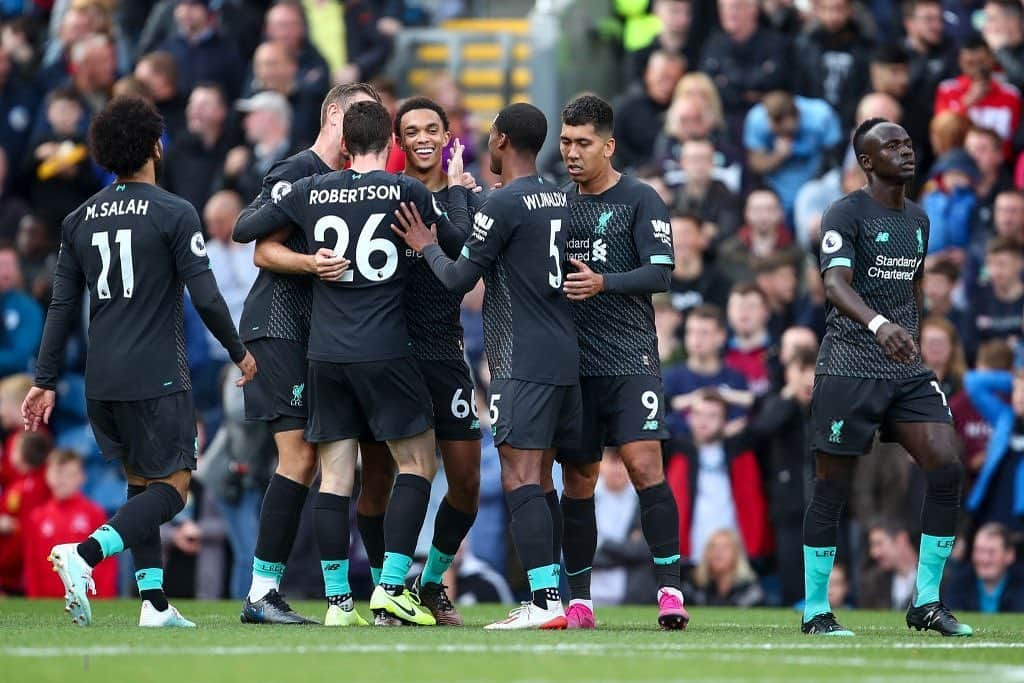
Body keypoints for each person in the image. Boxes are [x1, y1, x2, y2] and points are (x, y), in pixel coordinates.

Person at [23, 95, 256, 629]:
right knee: (173, 490)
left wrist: (45, 379)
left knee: (140, 485)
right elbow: (207, 297)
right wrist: (240, 353)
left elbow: (61, 305)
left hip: (102, 380)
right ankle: (84, 555)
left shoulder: (78, 219)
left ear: (104, 154)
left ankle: (153, 603)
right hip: (158, 373)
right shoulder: (174, 211)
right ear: (154, 145)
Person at [235, 100, 464, 627]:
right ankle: (389, 587)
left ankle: (339, 603)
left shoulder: (314, 189)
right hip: (383, 347)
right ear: (390, 143)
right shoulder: (404, 190)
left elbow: (247, 229)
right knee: (418, 463)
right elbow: (457, 245)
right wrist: (445, 204)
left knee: (334, 475)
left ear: (346, 142)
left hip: (323, 354)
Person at [393, 102, 580, 631]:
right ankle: (557, 596)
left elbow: (457, 277)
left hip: (520, 357)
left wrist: (426, 244)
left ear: (498, 140)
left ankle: (545, 599)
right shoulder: (560, 198)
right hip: (564, 353)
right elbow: (485, 248)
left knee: (519, 475)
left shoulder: (499, 202)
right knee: (542, 479)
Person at [803, 117, 971, 637]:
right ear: (868, 162)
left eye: (907, 141)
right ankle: (815, 609)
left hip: (905, 367)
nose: (905, 150)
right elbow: (834, 283)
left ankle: (926, 601)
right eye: (891, 145)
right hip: (850, 365)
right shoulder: (845, 212)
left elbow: (913, 288)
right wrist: (879, 325)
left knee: (945, 466)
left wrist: (910, 336)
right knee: (832, 487)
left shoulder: (919, 220)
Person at [228, 82, 376, 626]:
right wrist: (313, 264)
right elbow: (258, 243)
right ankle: (262, 592)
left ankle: (273, 589)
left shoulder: (350, 183)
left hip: (314, 336)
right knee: (299, 458)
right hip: (279, 324)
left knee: (316, 461)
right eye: (363, 113)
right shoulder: (298, 170)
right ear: (335, 114)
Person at [549, 94, 685, 631]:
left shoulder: (641, 198)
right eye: (565, 143)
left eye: (583, 143)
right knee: (578, 478)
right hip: (573, 364)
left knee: (645, 465)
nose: (572, 153)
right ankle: (579, 599)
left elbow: (661, 273)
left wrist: (604, 282)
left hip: (631, 358)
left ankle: (670, 591)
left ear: (608, 145)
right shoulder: (557, 203)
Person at [355, 96, 484, 627]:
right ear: (397, 142)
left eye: (433, 128)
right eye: (412, 131)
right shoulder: (382, 199)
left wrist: (456, 195)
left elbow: (465, 263)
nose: (424, 137)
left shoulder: (465, 199)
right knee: (380, 478)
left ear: (447, 136)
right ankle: (387, 588)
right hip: (391, 355)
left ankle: (430, 582)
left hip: (447, 353)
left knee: (467, 482)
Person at [23, 449, 116, 599]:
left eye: (69, 474)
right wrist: (34, 600)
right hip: (48, 603)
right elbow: (32, 565)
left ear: (81, 477)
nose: (62, 480)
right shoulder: (37, 517)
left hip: (86, 602)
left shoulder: (94, 514)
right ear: (47, 475)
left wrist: (103, 599)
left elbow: (107, 563)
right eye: (57, 473)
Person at [743, 91, 843, 219]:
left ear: (796, 116)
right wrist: (778, 156)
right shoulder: (757, 119)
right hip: (776, 192)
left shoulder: (820, 116)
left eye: (785, 130)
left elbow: (834, 156)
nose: (782, 134)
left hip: (812, 186)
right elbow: (755, 164)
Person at [934, 35, 1022, 158]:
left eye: (981, 63)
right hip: (959, 161)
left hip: (998, 163)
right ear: (960, 62)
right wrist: (967, 102)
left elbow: (1012, 141)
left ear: (991, 59)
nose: (976, 69)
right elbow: (942, 134)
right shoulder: (948, 90)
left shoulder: (1011, 94)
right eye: (970, 63)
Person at [612, 51, 685, 172]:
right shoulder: (626, 108)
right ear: (648, 75)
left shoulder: (685, 109)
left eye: (674, 79)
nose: (668, 85)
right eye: (663, 77)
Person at [945, 522, 1024, 613]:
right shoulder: (959, 582)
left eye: (991, 552)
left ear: (1009, 554)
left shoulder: (1020, 582)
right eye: (979, 550)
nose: (984, 559)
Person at [685, 528, 765, 607]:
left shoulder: (750, 590)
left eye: (725, 547)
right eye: (713, 547)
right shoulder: (693, 587)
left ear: (736, 554)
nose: (718, 552)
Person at [858, 518, 921, 610]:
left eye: (879, 544)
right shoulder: (873, 583)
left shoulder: (940, 577)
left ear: (901, 540)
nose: (873, 553)